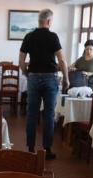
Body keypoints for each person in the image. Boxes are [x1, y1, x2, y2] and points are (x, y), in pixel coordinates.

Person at [19, 9, 70, 160]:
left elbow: (21, 60)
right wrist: (66, 78)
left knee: (32, 114)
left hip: (33, 78)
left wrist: (26, 73)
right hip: (50, 78)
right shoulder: (53, 37)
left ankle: (30, 148)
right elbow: (62, 60)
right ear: (49, 22)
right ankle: (47, 149)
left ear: (39, 21)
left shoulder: (29, 37)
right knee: (48, 115)